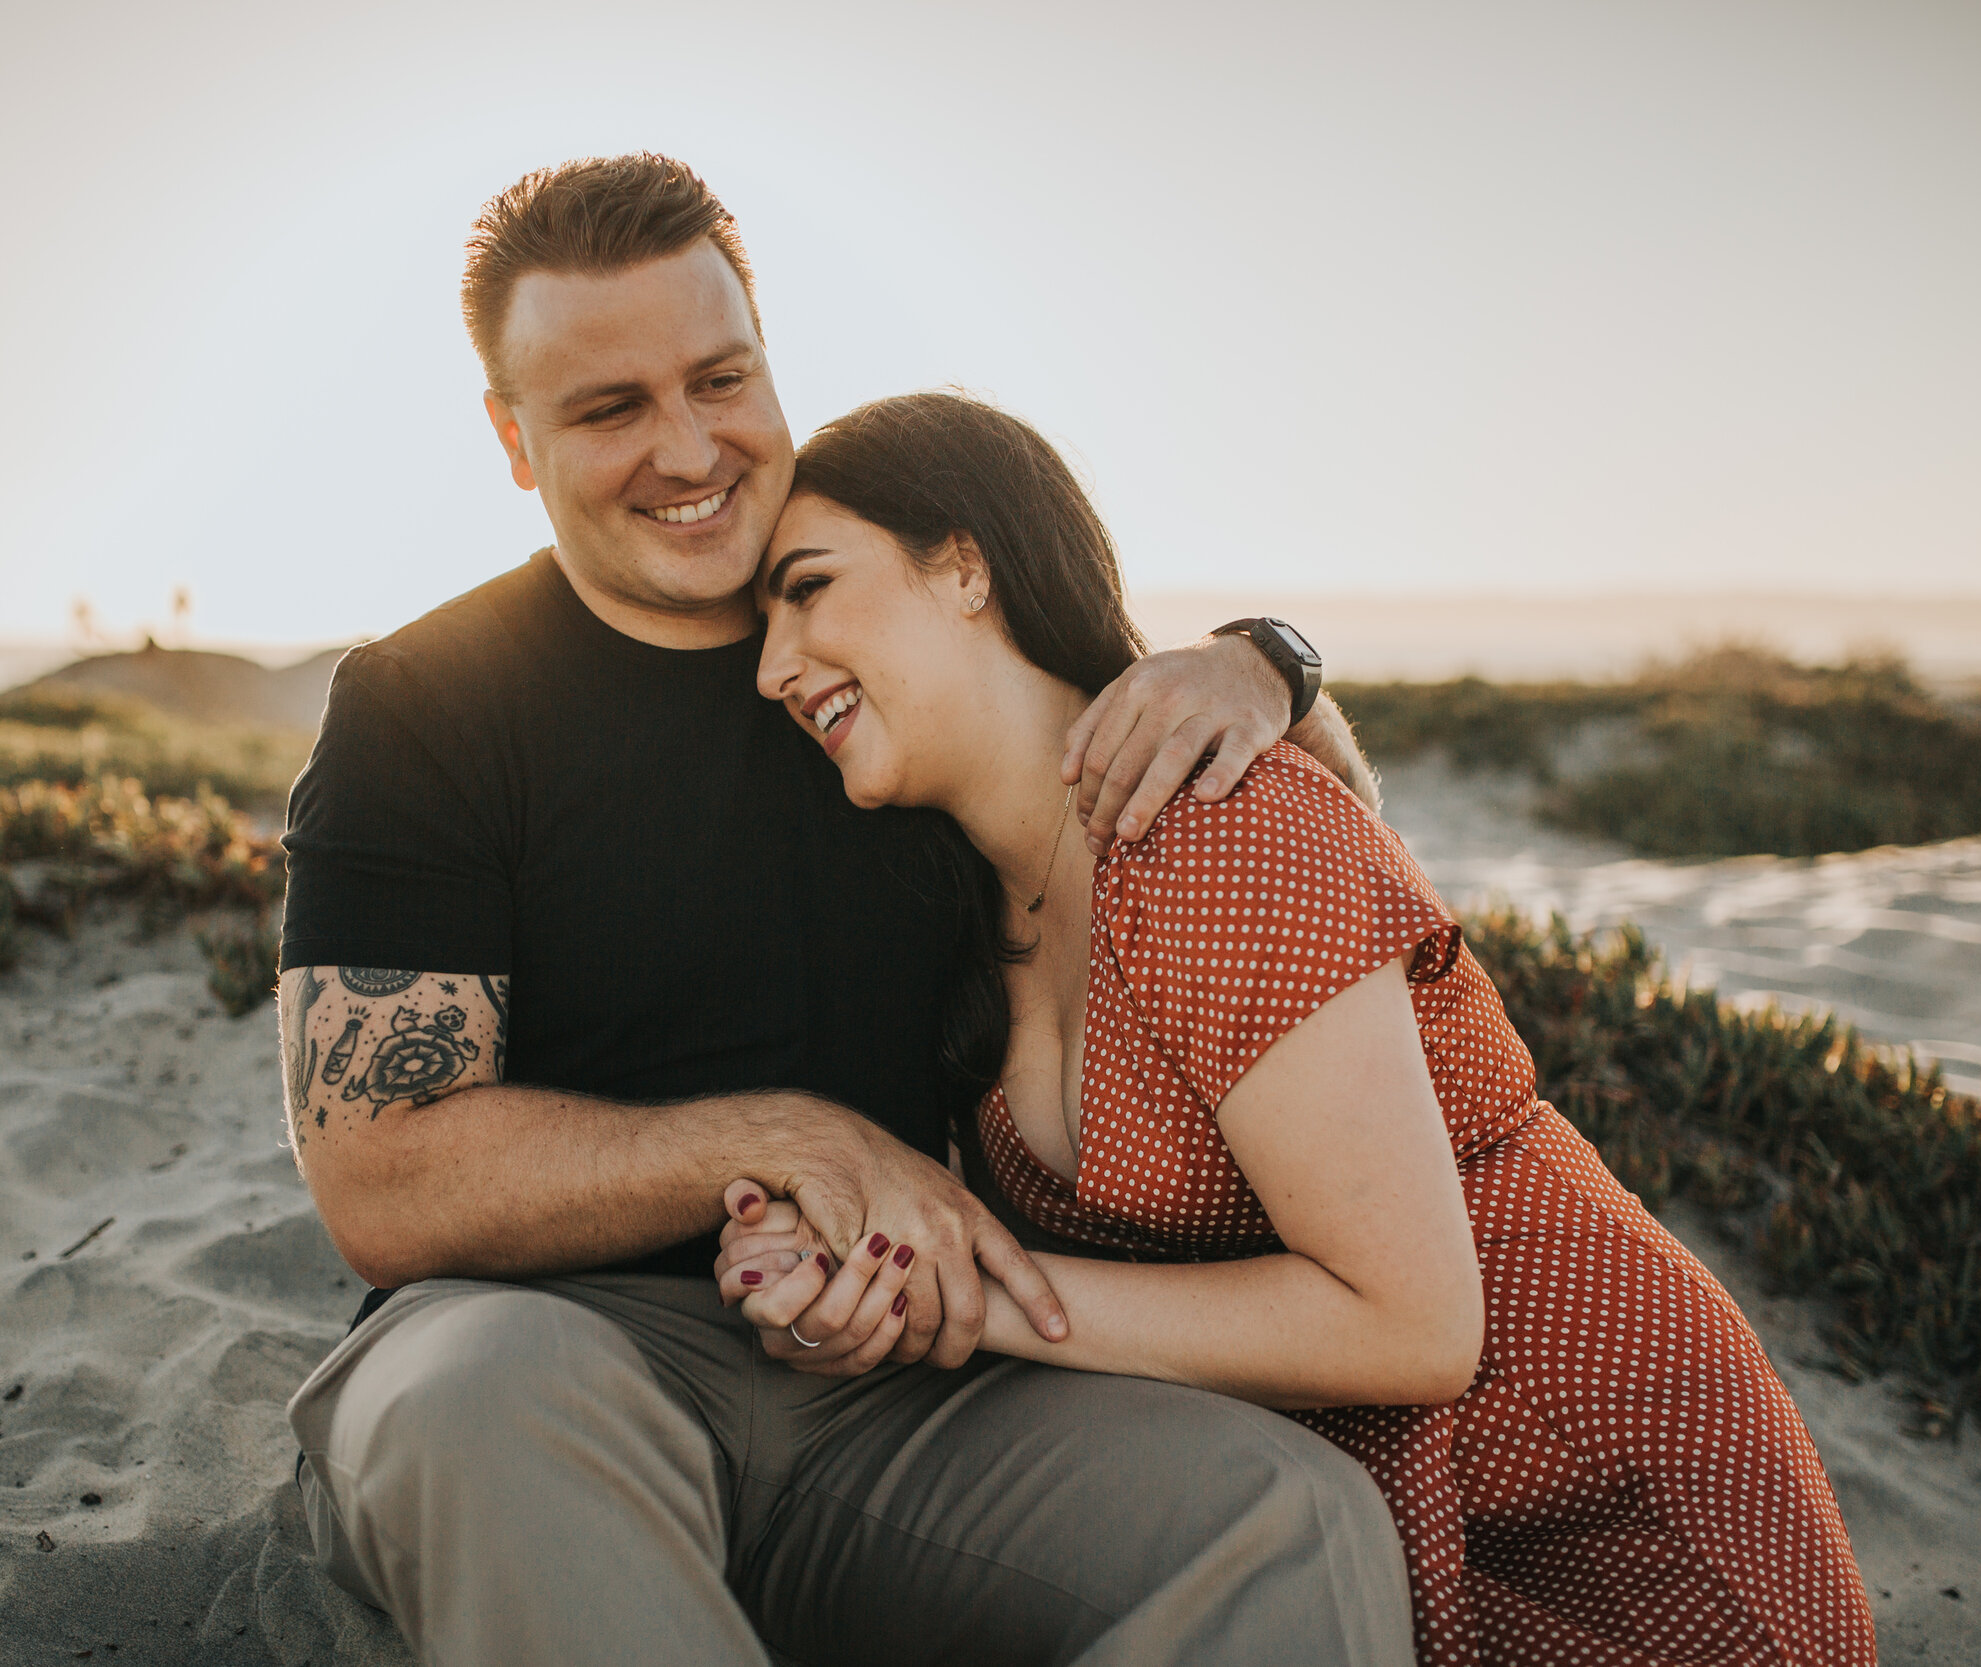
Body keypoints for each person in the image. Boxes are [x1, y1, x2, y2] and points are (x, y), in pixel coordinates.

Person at [278, 154, 1415, 1665]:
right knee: (477, 1399)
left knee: (1289, 1519)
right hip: (545, 1360)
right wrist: (788, 1137)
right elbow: (383, 1182)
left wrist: (1267, 662)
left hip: (901, 1382)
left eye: (720, 377)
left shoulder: (865, 636)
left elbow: (1191, 775)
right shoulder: (426, 702)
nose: (688, 446)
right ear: (512, 436)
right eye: (610, 408)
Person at [719, 390, 1881, 1666]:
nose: (774, 666)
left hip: (1588, 1496)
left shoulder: (1212, 824)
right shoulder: (949, 910)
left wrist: (987, 1297)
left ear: (964, 564)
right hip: (1308, 1528)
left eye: (809, 588)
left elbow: (1412, 1326)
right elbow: (941, 1217)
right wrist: (830, 1246)